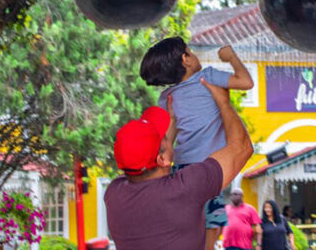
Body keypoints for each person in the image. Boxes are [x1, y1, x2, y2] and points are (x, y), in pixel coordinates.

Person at [104, 79, 253, 250]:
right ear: (162, 160)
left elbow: (142, 162)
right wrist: (223, 102)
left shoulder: (114, 193)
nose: (169, 137)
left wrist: (171, 121)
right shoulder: (185, 188)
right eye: (166, 138)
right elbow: (242, 147)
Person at [139, 37, 254, 250]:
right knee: (211, 228)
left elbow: (167, 139)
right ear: (186, 60)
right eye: (190, 51)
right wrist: (231, 58)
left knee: (193, 225)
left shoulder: (167, 97)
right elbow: (246, 82)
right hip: (210, 168)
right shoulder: (208, 77)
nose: (194, 54)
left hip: (182, 169)